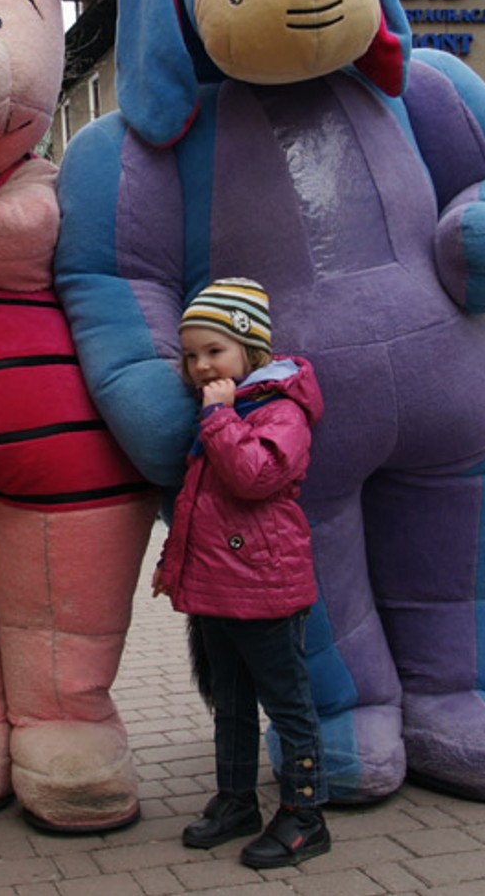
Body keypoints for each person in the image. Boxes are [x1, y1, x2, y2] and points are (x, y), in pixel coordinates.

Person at [151, 278, 331, 871]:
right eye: (191, 355)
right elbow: (196, 503)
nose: (201, 366)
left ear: (251, 350)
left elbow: (255, 477)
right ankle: (236, 801)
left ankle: (305, 814)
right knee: (228, 703)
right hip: (215, 589)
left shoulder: (281, 409)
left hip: (265, 589)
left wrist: (220, 417)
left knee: (287, 704)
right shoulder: (220, 414)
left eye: (215, 351)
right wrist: (174, 565)